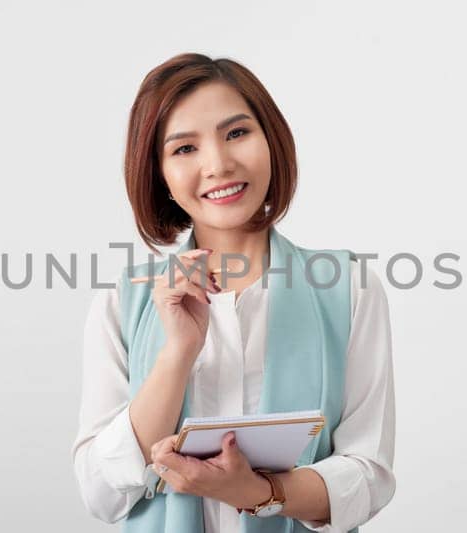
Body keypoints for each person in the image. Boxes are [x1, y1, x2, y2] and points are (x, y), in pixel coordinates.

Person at [72, 53, 396, 532]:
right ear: (158, 171)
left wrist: (258, 493)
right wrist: (178, 352)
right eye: (184, 149)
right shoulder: (125, 301)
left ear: (271, 139)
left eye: (237, 133)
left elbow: (368, 474)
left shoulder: (348, 287)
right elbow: (100, 492)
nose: (218, 164)